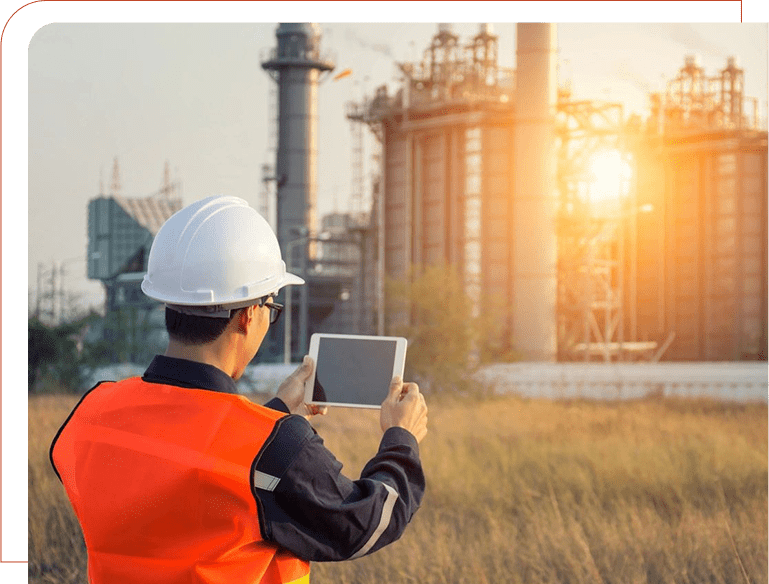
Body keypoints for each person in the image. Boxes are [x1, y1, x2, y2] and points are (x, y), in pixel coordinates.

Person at [50, 195, 428, 584]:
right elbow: (368, 522)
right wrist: (402, 438)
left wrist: (276, 412)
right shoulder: (275, 447)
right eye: (272, 309)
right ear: (249, 316)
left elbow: (182, 469)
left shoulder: (93, 411)